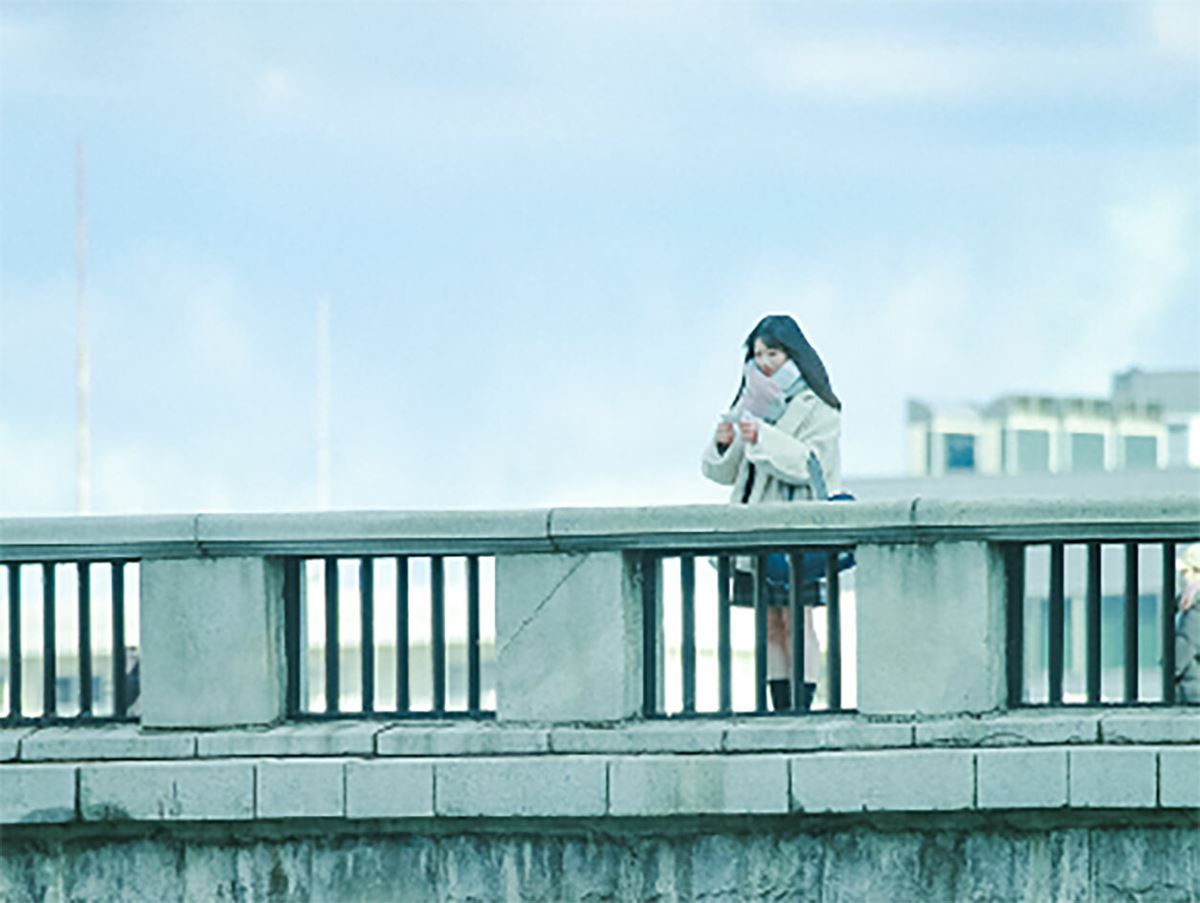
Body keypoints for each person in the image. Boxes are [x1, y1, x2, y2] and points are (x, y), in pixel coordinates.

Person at [701, 314, 842, 711]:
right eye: (758, 354)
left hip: (797, 527)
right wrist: (725, 443)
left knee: (798, 619)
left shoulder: (819, 407)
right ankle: (779, 706)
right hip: (755, 529)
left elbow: (811, 465)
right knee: (769, 622)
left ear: (793, 355)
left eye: (773, 354)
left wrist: (763, 436)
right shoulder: (749, 403)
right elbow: (724, 473)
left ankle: (803, 705)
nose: (763, 362)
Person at [1175, 543, 1200, 704]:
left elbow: (1185, 644)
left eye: (1185, 571)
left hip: (1193, 693)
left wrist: (1169, 667)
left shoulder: (1196, 608)